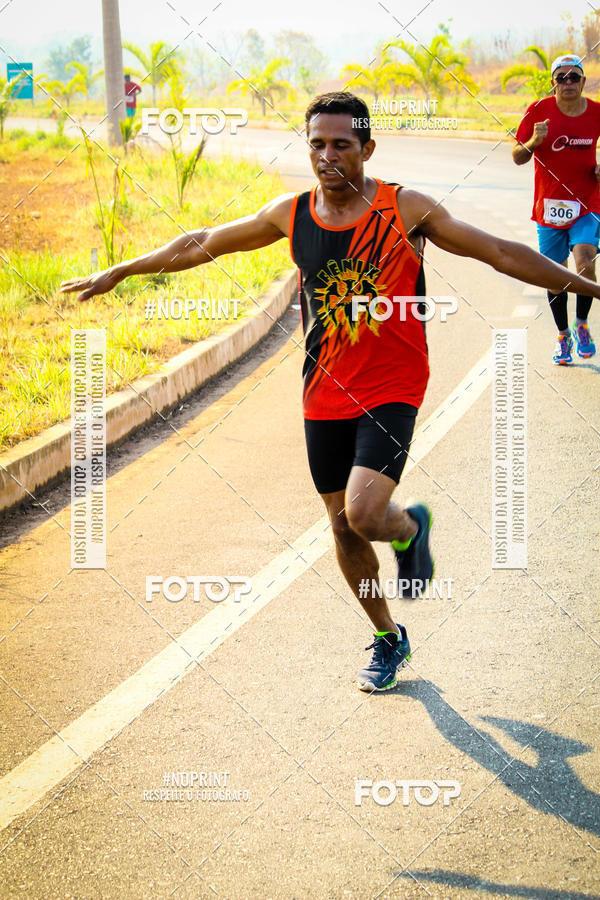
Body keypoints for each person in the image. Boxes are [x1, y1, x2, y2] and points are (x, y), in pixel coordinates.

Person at [61, 92, 600, 692]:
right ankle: (388, 632)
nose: (327, 155)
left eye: (342, 144)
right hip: (323, 389)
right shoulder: (290, 214)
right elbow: (204, 239)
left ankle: (400, 528)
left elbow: (501, 251)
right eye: (317, 144)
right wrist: (125, 269)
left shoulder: (406, 208)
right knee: (342, 527)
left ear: (367, 149)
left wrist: (591, 290)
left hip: (395, 382)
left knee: (362, 512)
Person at [513, 53, 599, 365]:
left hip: (588, 202)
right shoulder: (538, 111)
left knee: (585, 261)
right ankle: (563, 334)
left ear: (583, 81)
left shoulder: (596, 112)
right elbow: (517, 156)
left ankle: (582, 324)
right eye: (561, 77)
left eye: (573, 77)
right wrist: (534, 141)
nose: (567, 83)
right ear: (553, 83)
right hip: (548, 206)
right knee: (555, 273)